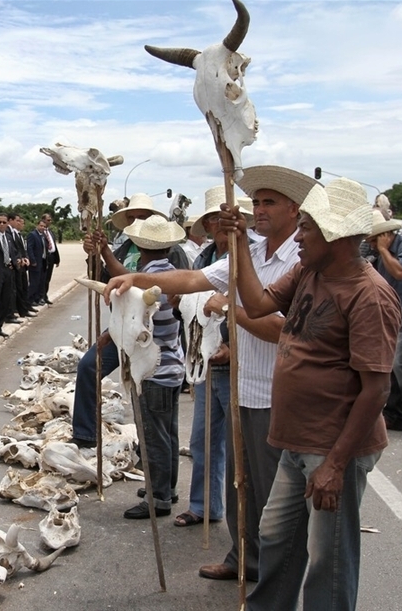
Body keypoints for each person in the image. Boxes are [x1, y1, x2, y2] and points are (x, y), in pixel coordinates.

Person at [103, 166, 313, 582]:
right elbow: (194, 279)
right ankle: (242, 558)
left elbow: (283, 329)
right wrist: (136, 277)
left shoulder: (300, 259)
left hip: (275, 394)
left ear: (294, 209)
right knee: (241, 483)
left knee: (272, 494)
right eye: (258, 202)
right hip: (240, 387)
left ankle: (274, 577)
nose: (261, 210)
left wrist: (231, 310)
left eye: (270, 203)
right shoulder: (249, 253)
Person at [223, 177, 400, 610]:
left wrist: (336, 465)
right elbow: (257, 303)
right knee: (276, 536)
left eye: (306, 228)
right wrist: (239, 241)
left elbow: (376, 390)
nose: (298, 237)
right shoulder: (309, 271)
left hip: (332, 448)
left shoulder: (369, 296)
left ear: (336, 236)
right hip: (297, 442)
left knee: (329, 559)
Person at [70, 212, 186, 519]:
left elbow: (130, 312)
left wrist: (110, 334)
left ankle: (158, 498)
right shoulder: (169, 274)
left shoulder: (148, 283)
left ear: (139, 245)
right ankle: (166, 487)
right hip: (172, 367)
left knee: (153, 436)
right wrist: (105, 252)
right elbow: (126, 280)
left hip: (152, 369)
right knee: (167, 432)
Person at [173, 187, 253, 528]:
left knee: (242, 450)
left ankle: (246, 523)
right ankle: (204, 506)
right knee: (202, 440)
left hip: (241, 366)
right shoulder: (203, 259)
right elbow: (190, 306)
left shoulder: (250, 256)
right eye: (214, 219)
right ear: (206, 224)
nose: (221, 225)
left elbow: (262, 309)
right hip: (206, 363)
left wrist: (233, 347)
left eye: (226, 218)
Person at [365, 210, 402, 436]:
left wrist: (384, 250)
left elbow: (399, 272)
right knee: (389, 367)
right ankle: (394, 415)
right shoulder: (377, 254)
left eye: (373, 240)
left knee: (401, 364)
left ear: (384, 236)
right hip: (389, 315)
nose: (370, 245)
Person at [7, 213, 37, 319]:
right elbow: (13, 249)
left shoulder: (18, 234)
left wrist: (25, 258)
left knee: (23, 287)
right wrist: (18, 259)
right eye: (17, 221)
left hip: (22, 264)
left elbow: (22, 249)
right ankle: (17, 310)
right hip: (15, 264)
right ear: (10, 221)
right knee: (17, 289)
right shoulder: (9, 233)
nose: (19, 223)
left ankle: (24, 309)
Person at [41, 212, 61, 304]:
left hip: (52, 257)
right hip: (45, 257)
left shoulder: (50, 232)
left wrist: (57, 259)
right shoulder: (40, 233)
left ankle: (45, 295)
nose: (50, 222)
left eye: (50, 220)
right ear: (43, 220)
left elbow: (54, 246)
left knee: (48, 278)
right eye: (48, 220)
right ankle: (40, 296)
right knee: (42, 278)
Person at [26, 220, 47, 305]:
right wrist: (33, 260)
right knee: (34, 283)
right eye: (41, 226)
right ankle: (29, 300)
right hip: (35, 263)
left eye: (44, 226)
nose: (42, 228)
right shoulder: (32, 235)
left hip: (42, 262)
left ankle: (36, 299)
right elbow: (29, 248)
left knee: (40, 282)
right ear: (37, 225)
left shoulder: (43, 236)